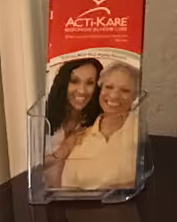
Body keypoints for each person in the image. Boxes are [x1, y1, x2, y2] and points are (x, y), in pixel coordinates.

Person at [48, 62, 140, 192]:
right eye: (108, 87)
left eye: (125, 90)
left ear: (135, 96)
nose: (114, 95)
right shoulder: (80, 138)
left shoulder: (140, 133)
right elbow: (66, 186)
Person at [43, 56, 102, 160]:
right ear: (63, 83)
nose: (82, 90)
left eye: (89, 83)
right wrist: (66, 147)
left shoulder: (98, 123)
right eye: (74, 81)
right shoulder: (42, 117)